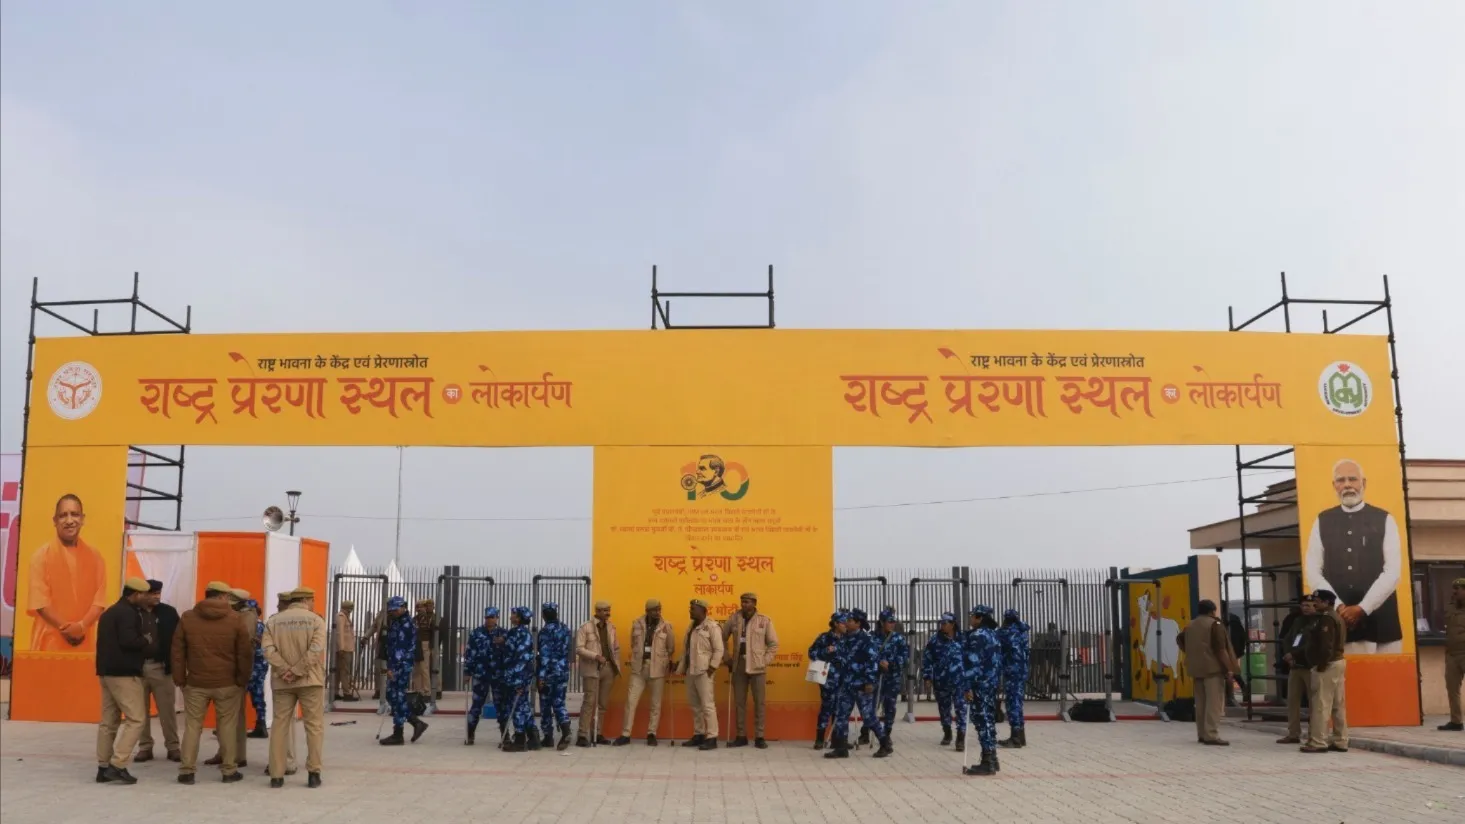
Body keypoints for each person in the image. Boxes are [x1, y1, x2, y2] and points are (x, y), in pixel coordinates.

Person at [1304, 459, 1404, 655]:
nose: (1347, 485)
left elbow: (1392, 572)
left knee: (1386, 675)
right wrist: (1339, 607)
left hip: (1383, 625)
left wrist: (1362, 608)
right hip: (1340, 624)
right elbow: (1313, 572)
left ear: (1363, 483)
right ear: (1334, 485)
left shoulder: (1384, 518)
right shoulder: (1322, 521)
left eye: (1352, 479)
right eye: (1341, 480)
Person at [172, 580, 252, 785]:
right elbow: (244, 653)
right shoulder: (235, 619)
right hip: (228, 683)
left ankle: (187, 771)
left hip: (196, 682)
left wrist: (180, 678)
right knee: (227, 727)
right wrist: (242, 679)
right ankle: (229, 770)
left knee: (192, 726)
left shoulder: (188, 617)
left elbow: (178, 651)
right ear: (223, 597)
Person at [262, 586, 327, 788]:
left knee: (280, 726)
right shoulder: (316, 620)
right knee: (313, 726)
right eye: (313, 600)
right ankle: (314, 774)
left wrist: (284, 669)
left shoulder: (274, 621)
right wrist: (298, 670)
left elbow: (267, 649)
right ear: (307, 600)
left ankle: (276, 775)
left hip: (282, 681)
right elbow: (316, 649)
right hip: (310, 680)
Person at [27, 494, 109, 652]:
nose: (69, 520)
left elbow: (99, 602)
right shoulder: (41, 556)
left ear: (82, 519)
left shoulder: (95, 557)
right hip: (49, 642)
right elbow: (40, 604)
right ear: (55, 521)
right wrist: (67, 629)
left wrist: (81, 626)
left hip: (84, 641)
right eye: (63, 515)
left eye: (75, 514)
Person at [95, 577, 154, 785]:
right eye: (145, 595)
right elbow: (129, 641)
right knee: (136, 719)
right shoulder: (129, 614)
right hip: (124, 674)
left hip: (106, 673)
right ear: (136, 594)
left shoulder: (109, 612)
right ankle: (117, 765)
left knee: (108, 721)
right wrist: (146, 640)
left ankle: (103, 767)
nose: (148, 598)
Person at [829, 605, 893, 760]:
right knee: (842, 715)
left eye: (850, 620)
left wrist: (870, 682)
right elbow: (841, 658)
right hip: (847, 683)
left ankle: (885, 744)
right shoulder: (845, 638)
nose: (846, 622)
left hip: (862, 685)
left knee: (869, 717)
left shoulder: (866, 640)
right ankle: (841, 748)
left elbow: (872, 662)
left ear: (858, 623)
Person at [205, 588, 257, 768]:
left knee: (236, 717)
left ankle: (237, 756)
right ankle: (224, 752)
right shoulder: (236, 615)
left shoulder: (246, 617)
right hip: (227, 670)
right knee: (225, 716)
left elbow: (243, 646)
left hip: (236, 671)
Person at [1176, 599, 1236, 747]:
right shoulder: (1215, 624)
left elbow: (1180, 640)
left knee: (1201, 703)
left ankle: (1202, 734)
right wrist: (1229, 668)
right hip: (1213, 669)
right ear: (1212, 611)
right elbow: (1220, 649)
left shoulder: (1190, 625)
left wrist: (1191, 652)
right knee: (1214, 703)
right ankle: (1211, 735)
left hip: (1196, 668)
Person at [722, 592, 779, 748]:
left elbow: (773, 644)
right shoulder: (734, 618)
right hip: (738, 664)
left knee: (759, 702)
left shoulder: (764, 620)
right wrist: (726, 656)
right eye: (742, 601)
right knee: (739, 702)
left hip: (757, 666)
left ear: (754, 603)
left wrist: (764, 661)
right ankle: (741, 736)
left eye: (747, 602)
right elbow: (722, 637)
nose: (744, 604)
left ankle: (759, 736)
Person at [616, 598, 675, 746]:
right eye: (654, 610)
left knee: (655, 704)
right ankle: (625, 734)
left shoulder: (666, 626)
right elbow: (633, 643)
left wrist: (663, 660)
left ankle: (651, 733)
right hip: (639, 668)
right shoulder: (637, 624)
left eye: (659, 609)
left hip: (657, 669)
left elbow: (671, 648)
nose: (658, 612)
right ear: (647, 611)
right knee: (631, 702)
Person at [134, 579, 181, 764]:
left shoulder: (168, 613)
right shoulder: (133, 613)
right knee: (140, 711)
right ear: (142, 594)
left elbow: (178, 640)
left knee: (167, 710)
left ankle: (173, 746)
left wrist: (176, 665)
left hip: (161, 668)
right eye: (152, 593)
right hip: (137, 668)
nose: (156, 597)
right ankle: (145, 747)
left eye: (158, 593)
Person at [1301, 589, 1349, 753]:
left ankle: (1318, 741)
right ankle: (1340, 740)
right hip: (1337, 662)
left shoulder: (1327, 619)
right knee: (1337, 704)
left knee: (1321, 704)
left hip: (1328, 664)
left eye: (1317, 601)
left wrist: (1321, 665)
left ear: (1326, 602)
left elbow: (1325, 646)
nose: (1314, 604)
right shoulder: (1336, 617)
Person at [378, 596, 428, 745]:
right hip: (395, 664)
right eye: (391, 610)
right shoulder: (396, 622)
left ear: (402, 608)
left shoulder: (406, 624)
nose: (392, 612)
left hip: (401, 665)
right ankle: (415, 722)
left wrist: (393, 668)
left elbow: (401, 650)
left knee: (397, 696)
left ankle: (398, 733)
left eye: (395, 609)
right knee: (392, 695)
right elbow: (391, 646)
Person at [961, 605, 1002, 775]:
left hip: (979, 684)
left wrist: (967, 686)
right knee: (989, 719)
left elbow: (973, 663)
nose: (970, 619)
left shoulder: (977, 636)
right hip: (991, 683)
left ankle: (987, 761)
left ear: (979, 618)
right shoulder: (994, 635)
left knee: (982, 720)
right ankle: (993, 757)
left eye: (972, 616)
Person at [676, 598, 723, 750]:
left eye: (693, 609)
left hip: (704, 671)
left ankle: (712, 737)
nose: (690, 611)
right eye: (690, 608)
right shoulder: (691, 627)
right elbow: (687, 650)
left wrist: (712, 667)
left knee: (707, 705)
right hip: (691, 670)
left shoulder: (712, 627)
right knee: (695, 705)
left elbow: (719, 649)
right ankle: (699, 734)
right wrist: (681, 665)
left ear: (703, 611)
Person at [575, 600, 620, 747]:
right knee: (589, 702)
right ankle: (582, 735)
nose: (608, 613)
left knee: (602, 704)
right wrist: (595, 656)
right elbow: (579, 649)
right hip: (592, 668)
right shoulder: (585, 627)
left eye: (609, 610)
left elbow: (616, 648)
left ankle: (597, 733)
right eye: (605, 610)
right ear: (598, 611)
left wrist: (615, 665)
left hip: (608, 669)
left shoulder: (611, 627)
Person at [920, 612, 967, 750]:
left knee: (961, 709)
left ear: (953, 624)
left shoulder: (963, 640)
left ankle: (960, 737)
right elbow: (927, 659)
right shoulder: (935, 640)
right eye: (941, 623)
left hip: (959, 681)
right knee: (944, 709)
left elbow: (970, 659)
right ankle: (947, 732)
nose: (942, 625)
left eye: (945, 623)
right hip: (941, 680)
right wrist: (927, 677)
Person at [1276, 595, 1318, 744]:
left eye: (1310, 605)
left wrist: (1294, 654)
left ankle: (1314, 734)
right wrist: (1288, 654)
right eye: (1304, 605)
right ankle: (1293, 733)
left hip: (1310, 666)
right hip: (1295, 666)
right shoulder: (1297, 621)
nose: (1306, 608)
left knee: (1314, 702)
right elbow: (1287, 639)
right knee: (1293, 701)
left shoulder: (1318, 621)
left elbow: (1312, 644)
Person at [866, 608, 908, 745]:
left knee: (890, 706)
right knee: (871, 706)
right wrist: (878, 662)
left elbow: (904, 657)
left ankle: (886, 733)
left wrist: (891, 663)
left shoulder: (898, 639)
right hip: (875, 676)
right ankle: (866, 731)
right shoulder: (872, 637)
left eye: (893, 621)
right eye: (889, 621)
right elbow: (867, 655)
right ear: (882, 622)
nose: (892, 624)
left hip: (892, 676)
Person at [462, 607, 501, 745]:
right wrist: (467, 672)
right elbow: (470, 653)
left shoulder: (502, 634)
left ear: (497, 618)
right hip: (480, 673)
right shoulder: (476, 633)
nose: (489, 620)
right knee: (476, 705)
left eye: (492, 617)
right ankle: (470, 733)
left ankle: (505, 735)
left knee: (500, 705)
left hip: (497, 674)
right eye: (487, 617)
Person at [537, 602, 573, 751]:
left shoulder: (545, 632)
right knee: (559, 702)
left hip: (549, 673)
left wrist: (541, 677)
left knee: (545, 704)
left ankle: (548, 737)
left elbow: (544, 656)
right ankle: (565, 730)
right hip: (562, 671)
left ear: (544, 615)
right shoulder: (565, 629)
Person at [808, 611, 846, 749]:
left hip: (844, 678)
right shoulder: (824, 638)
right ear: (835, 624)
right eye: (843, 622)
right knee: (827, 708)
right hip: (828, 679)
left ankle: (837, 740)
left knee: (840, 709)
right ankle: (819, 739)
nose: (845, 625)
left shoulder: (848, 639)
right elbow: (811, 653)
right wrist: (826, 651)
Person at [502, 606, 538, 751]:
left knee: (517, 707)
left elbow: (521, 659)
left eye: (513, 614)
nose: (510, 616)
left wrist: (517, 681)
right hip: (513, 675)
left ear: (519, 618)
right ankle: (533, 738)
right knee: (524, 707)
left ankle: (519, 740)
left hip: (518, 677)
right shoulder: (514, 632)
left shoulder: (523, 634)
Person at [997, 608, 1031, 749]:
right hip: (1022, 672)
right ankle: (1021, 737)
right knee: (1018, 702)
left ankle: (1015, 738)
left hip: (1012, 672)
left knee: (1012, 704)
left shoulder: (1006, 632)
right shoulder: (1022, 632)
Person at [1441, 578, 1465, 732]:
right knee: (1452, 688)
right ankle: (1456, 722)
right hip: (1452, 654)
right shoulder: (1450, 607)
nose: (1454, 591)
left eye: (1458, 589)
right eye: (1453, 588)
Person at [411, 599, 439, 714]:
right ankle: (418, 691)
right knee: (416, 669)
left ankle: (427, 692)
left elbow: (433, 633)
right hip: (415, 644)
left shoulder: (429, 619)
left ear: (425, 607)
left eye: (421, 607)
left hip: (425, 644)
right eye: (417, 607)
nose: (419, 609)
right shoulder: (414, 619)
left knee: (424, 668)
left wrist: (432, 647)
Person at [333, 600, 359, 701]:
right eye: (350, 609)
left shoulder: (345, 617)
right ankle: (346, 693)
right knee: (344, 671)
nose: (350, 611)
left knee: (340, 671)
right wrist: (341, 648)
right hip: (344, 649)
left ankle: (335, 693)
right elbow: (339, 633)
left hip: (347, 648)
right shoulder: (341, 616)